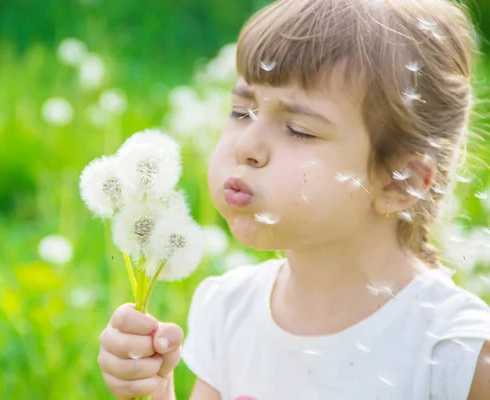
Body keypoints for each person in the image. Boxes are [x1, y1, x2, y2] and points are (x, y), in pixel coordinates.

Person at [97, 0, 490, 398]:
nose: (247, 146)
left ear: (399, 183)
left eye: (299, 130)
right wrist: (152, 391)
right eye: (240, 111)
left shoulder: (458, 352)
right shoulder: (228, 310)